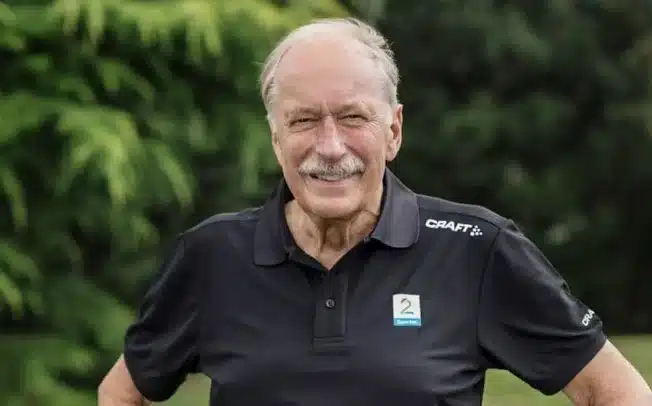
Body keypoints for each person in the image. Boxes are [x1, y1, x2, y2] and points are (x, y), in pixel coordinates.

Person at [98, 17, 651, 406]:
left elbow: (618, 393)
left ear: (394, 130)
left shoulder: (476, 248)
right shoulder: (212, 256)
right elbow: (122, 392)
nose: (330, 146)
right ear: (275, 139)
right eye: (303, 120)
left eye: (353, 118)